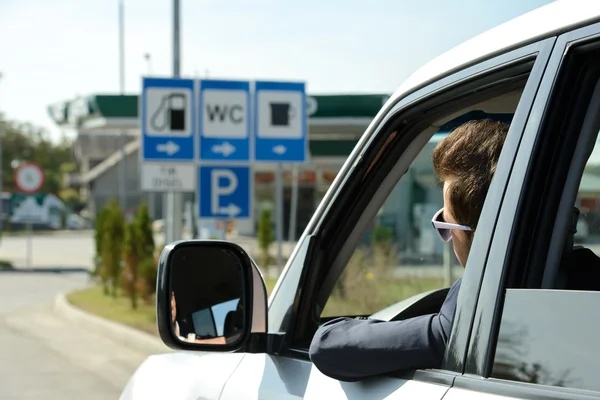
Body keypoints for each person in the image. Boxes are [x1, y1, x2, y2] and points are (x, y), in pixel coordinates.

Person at [308, 119, 509, 381]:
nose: (446, 238)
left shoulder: (477, 309)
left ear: (477, 234)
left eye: (445, 225)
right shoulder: (576, 275)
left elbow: (327, 345)